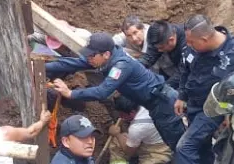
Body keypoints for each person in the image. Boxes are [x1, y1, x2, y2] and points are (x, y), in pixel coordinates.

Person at [46, 32, 185, 151]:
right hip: (155, 103)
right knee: (175, 142)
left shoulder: (121, 65)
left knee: (180, 145)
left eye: (91, 56)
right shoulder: (102, 58)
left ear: (106, 54)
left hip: (164, 103)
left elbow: (102, 92)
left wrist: (70, 93)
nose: (88, 59)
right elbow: (72, 63)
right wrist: (43, 66)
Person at [174, 14, 234, 164]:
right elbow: (185, 69)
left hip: (213, 110)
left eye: (191, 42)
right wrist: (182, 95)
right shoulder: (193, 46)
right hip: (193, 106)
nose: (187, 44)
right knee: (202, 149)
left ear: (205, 39)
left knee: (184, 148)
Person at [106, 96, 173, 164]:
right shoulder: (145, 104)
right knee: (117, 142)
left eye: (122, 114)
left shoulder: (136, 127)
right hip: (155, 139)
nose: (121, 117)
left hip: (160, 151)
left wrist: (117, 134)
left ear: (132, 112)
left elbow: (129, 152)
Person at [141, 20, 186, 89]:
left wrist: (163, 88)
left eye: (161, 48)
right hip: (174, 67)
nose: (159, 50)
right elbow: (149, 56)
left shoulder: (187, 43)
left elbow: (183, 72)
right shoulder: (160, 36)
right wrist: (135, 67)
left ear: (171, 40)